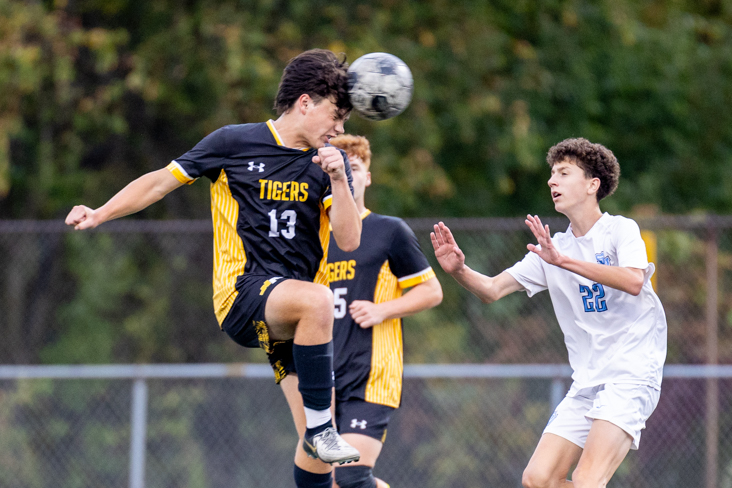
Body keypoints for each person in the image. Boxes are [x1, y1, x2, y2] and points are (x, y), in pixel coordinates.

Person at [65, 49, 364, 488]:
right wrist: (100, 213)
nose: (341, 128)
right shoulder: (232, 143)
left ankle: (319, 435)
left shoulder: (328, 164)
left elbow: (350, 239)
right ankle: (325, 430)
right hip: (243, 295)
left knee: (320, 461)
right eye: (337, 115)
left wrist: (340, 179)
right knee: (320, 304)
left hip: (292, 314)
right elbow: (160, 181)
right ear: (305, 102)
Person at [431, 138, 667, 488]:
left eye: (563, 173)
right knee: (538, 479)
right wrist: (458, 271)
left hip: (631, 374)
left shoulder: (620, 230)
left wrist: (564, 261)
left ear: (592, 185)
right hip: (588, 380)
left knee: (586, 479)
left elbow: (634, 280)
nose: (551, 181)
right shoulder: (553, 249)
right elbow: (493, 290)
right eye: (551, 174)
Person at [327, 135, 443, 488]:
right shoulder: (312, 236)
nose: (348, 175)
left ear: (367, 177)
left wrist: (382, 310)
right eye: (341, 168)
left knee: (350, 474)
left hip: (372, 373)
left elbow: (431, 291)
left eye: (356, 168)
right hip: (324, 376)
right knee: (328, 481)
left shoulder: (388, 231)